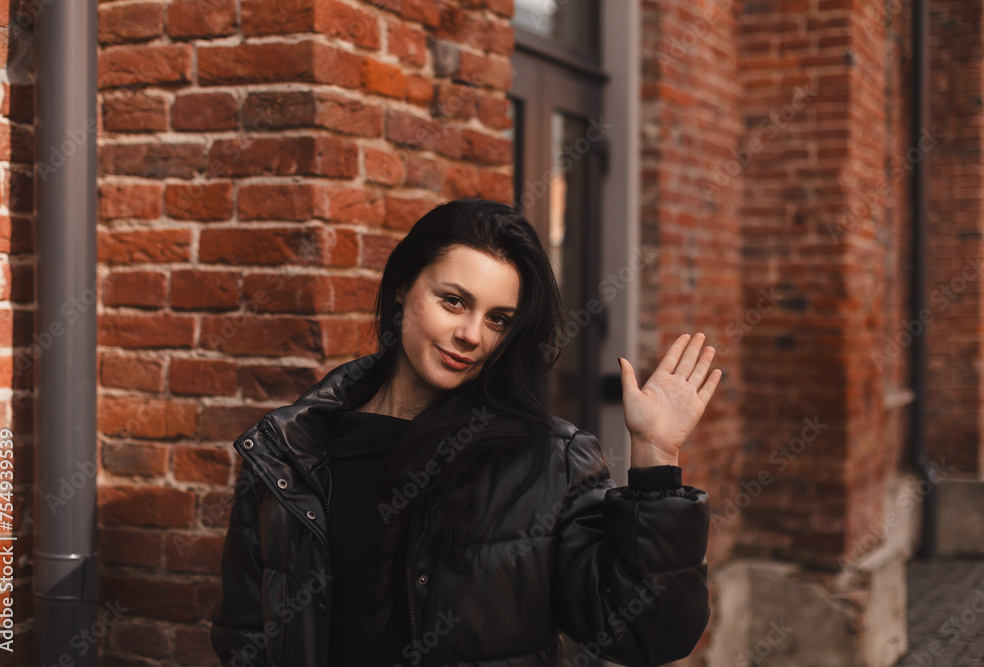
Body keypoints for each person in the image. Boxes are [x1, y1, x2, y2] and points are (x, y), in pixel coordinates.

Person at [210, 198, 722, 667]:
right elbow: (245, 635)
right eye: (454, 301)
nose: (472, 336)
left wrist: (656, 458)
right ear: (400, 293)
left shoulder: (549, 462)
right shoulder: (287, 453)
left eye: (499, 319)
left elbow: (644, 632)